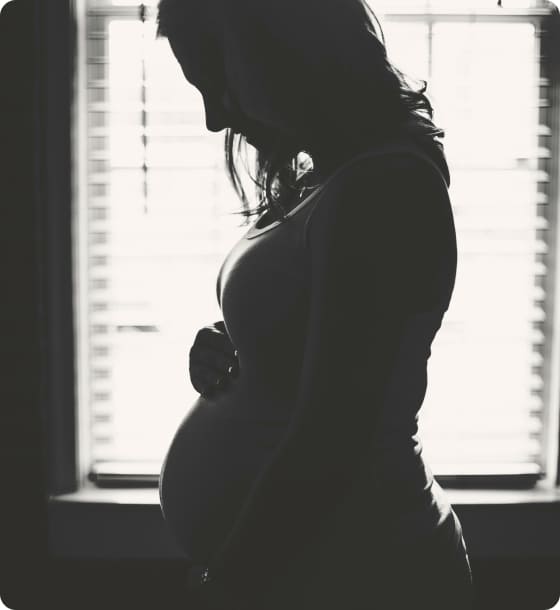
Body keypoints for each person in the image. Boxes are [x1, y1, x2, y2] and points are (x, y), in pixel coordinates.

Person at [156, 0, 474, 608]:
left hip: (365, 572)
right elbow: (328, 341)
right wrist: (242, 341)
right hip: (316, 568)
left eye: (216, 81)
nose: (213, 116)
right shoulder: (332, 176)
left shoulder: (385, 189)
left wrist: (227, 583)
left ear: (278, 46)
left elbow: (332, 439)